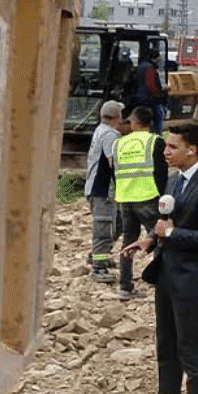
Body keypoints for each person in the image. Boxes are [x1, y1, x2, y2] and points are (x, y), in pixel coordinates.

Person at [118, 122, 198, 394]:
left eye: (171, 147)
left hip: (192, 280)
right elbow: (168, 223)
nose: (164, 152)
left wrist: (169, 235)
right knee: (166, 346)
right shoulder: (174, 180)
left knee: (191, 352)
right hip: (167, 274)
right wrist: (150, 240)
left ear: (191, 149)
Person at [113, 107, 168, 301]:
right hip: (148, 195)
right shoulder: (156, 141)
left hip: (125, 196)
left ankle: (125, 285)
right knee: (159, 237)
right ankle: (159, 280)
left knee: (128, 240)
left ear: (134, 123)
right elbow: (161, 172)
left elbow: (115, 171)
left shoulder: (119, 144)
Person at [85, 100, 127, 282]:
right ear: (118, 117)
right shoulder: (111, 135)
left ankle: (98, 254)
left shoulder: (99, 130)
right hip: (103, 189)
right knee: (105, 228)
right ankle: (98, 267)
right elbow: (113, 162)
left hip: (96, 187)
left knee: (118, 224)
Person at [134, 48, 168, 133]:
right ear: (156, 57)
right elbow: (151, 85)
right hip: (150, 100)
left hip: (140, 97)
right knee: (159, 118)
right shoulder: (150, 68)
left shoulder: (141, 66)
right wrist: (159, 95)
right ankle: (157, 135)